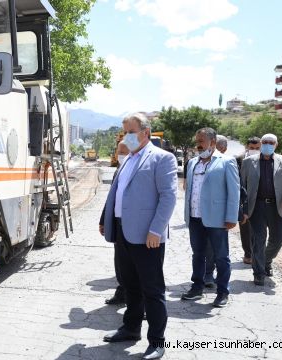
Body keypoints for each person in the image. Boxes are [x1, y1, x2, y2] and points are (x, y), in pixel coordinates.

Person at [100, 113, 177, 360]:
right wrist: (107, 220)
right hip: (124, 231)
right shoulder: (128, 159)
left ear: (146, 132)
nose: (126, 137)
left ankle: (157, 341)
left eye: (130, 132)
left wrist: (156, 229)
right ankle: (131, 328)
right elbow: (117, 193)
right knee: (130, 285)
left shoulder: (162, 158)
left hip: (147, 236)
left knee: (152, 289)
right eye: (124, 132)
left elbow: (168, 197)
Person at [181, 128, 239, 307]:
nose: (198, 144)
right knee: (197, 254)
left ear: (213, 142)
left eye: (202, 141)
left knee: (221, 257)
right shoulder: (192, 163)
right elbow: (189, 189)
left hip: (217, 219)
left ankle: (222, 292)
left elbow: (234, 192)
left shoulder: (226, 162)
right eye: (197, 140)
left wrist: (231, 217)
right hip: (195, 217)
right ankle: (197, 287)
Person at [241, 134, 282, 286]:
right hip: (256, 206)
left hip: (278, 206)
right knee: (258, 240)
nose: (267, 144)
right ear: (260, 143)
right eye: (264, 142)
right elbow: (242, 187)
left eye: (270, 142)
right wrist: (243, 209)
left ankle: (266, 261)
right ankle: (258, 272)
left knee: (278, 239)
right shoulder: (248, 162)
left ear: (276, 145)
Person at [99, 143, 130, 306]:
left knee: (137, 266)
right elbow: (111, 198)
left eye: (123, 152)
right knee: (120, 261)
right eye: (118, 152)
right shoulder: (119, 170)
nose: (120, 156)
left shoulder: (137, 169)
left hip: (135, 224)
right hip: (118, 223)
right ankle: (122, 292)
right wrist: (104, 220)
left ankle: (143, 303)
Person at [202, 134, 229, 288]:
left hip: (220, 216)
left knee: (220, 252)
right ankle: (207, 274)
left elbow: (237, 191)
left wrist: (233, 216)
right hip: (202, 215)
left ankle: (222, 286)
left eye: (214, 146)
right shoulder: (197, 162)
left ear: (223, 148)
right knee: (206, 248)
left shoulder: (228, 162)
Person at [239, 137, 261, 264]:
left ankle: (258, 254)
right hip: (244, 199)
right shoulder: (239, 159)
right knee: (245, 228)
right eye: (252, 148)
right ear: (247, 147)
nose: (254, 150)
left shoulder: (264, 159)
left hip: (259, 199)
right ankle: (248, 254)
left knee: (258, 229)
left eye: (257, 148)